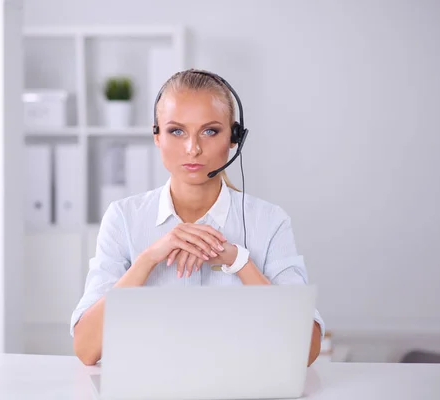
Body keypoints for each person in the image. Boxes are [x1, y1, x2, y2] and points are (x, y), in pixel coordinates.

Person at [70, 68, 324, 367]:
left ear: (234, 138)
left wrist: (240, 263)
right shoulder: (123, 218)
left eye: (210, 131)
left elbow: (306, 350)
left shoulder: (269, 221)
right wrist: (147, 259)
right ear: (157, 136)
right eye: (176, 131)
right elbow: (86, 349)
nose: (193, 148)